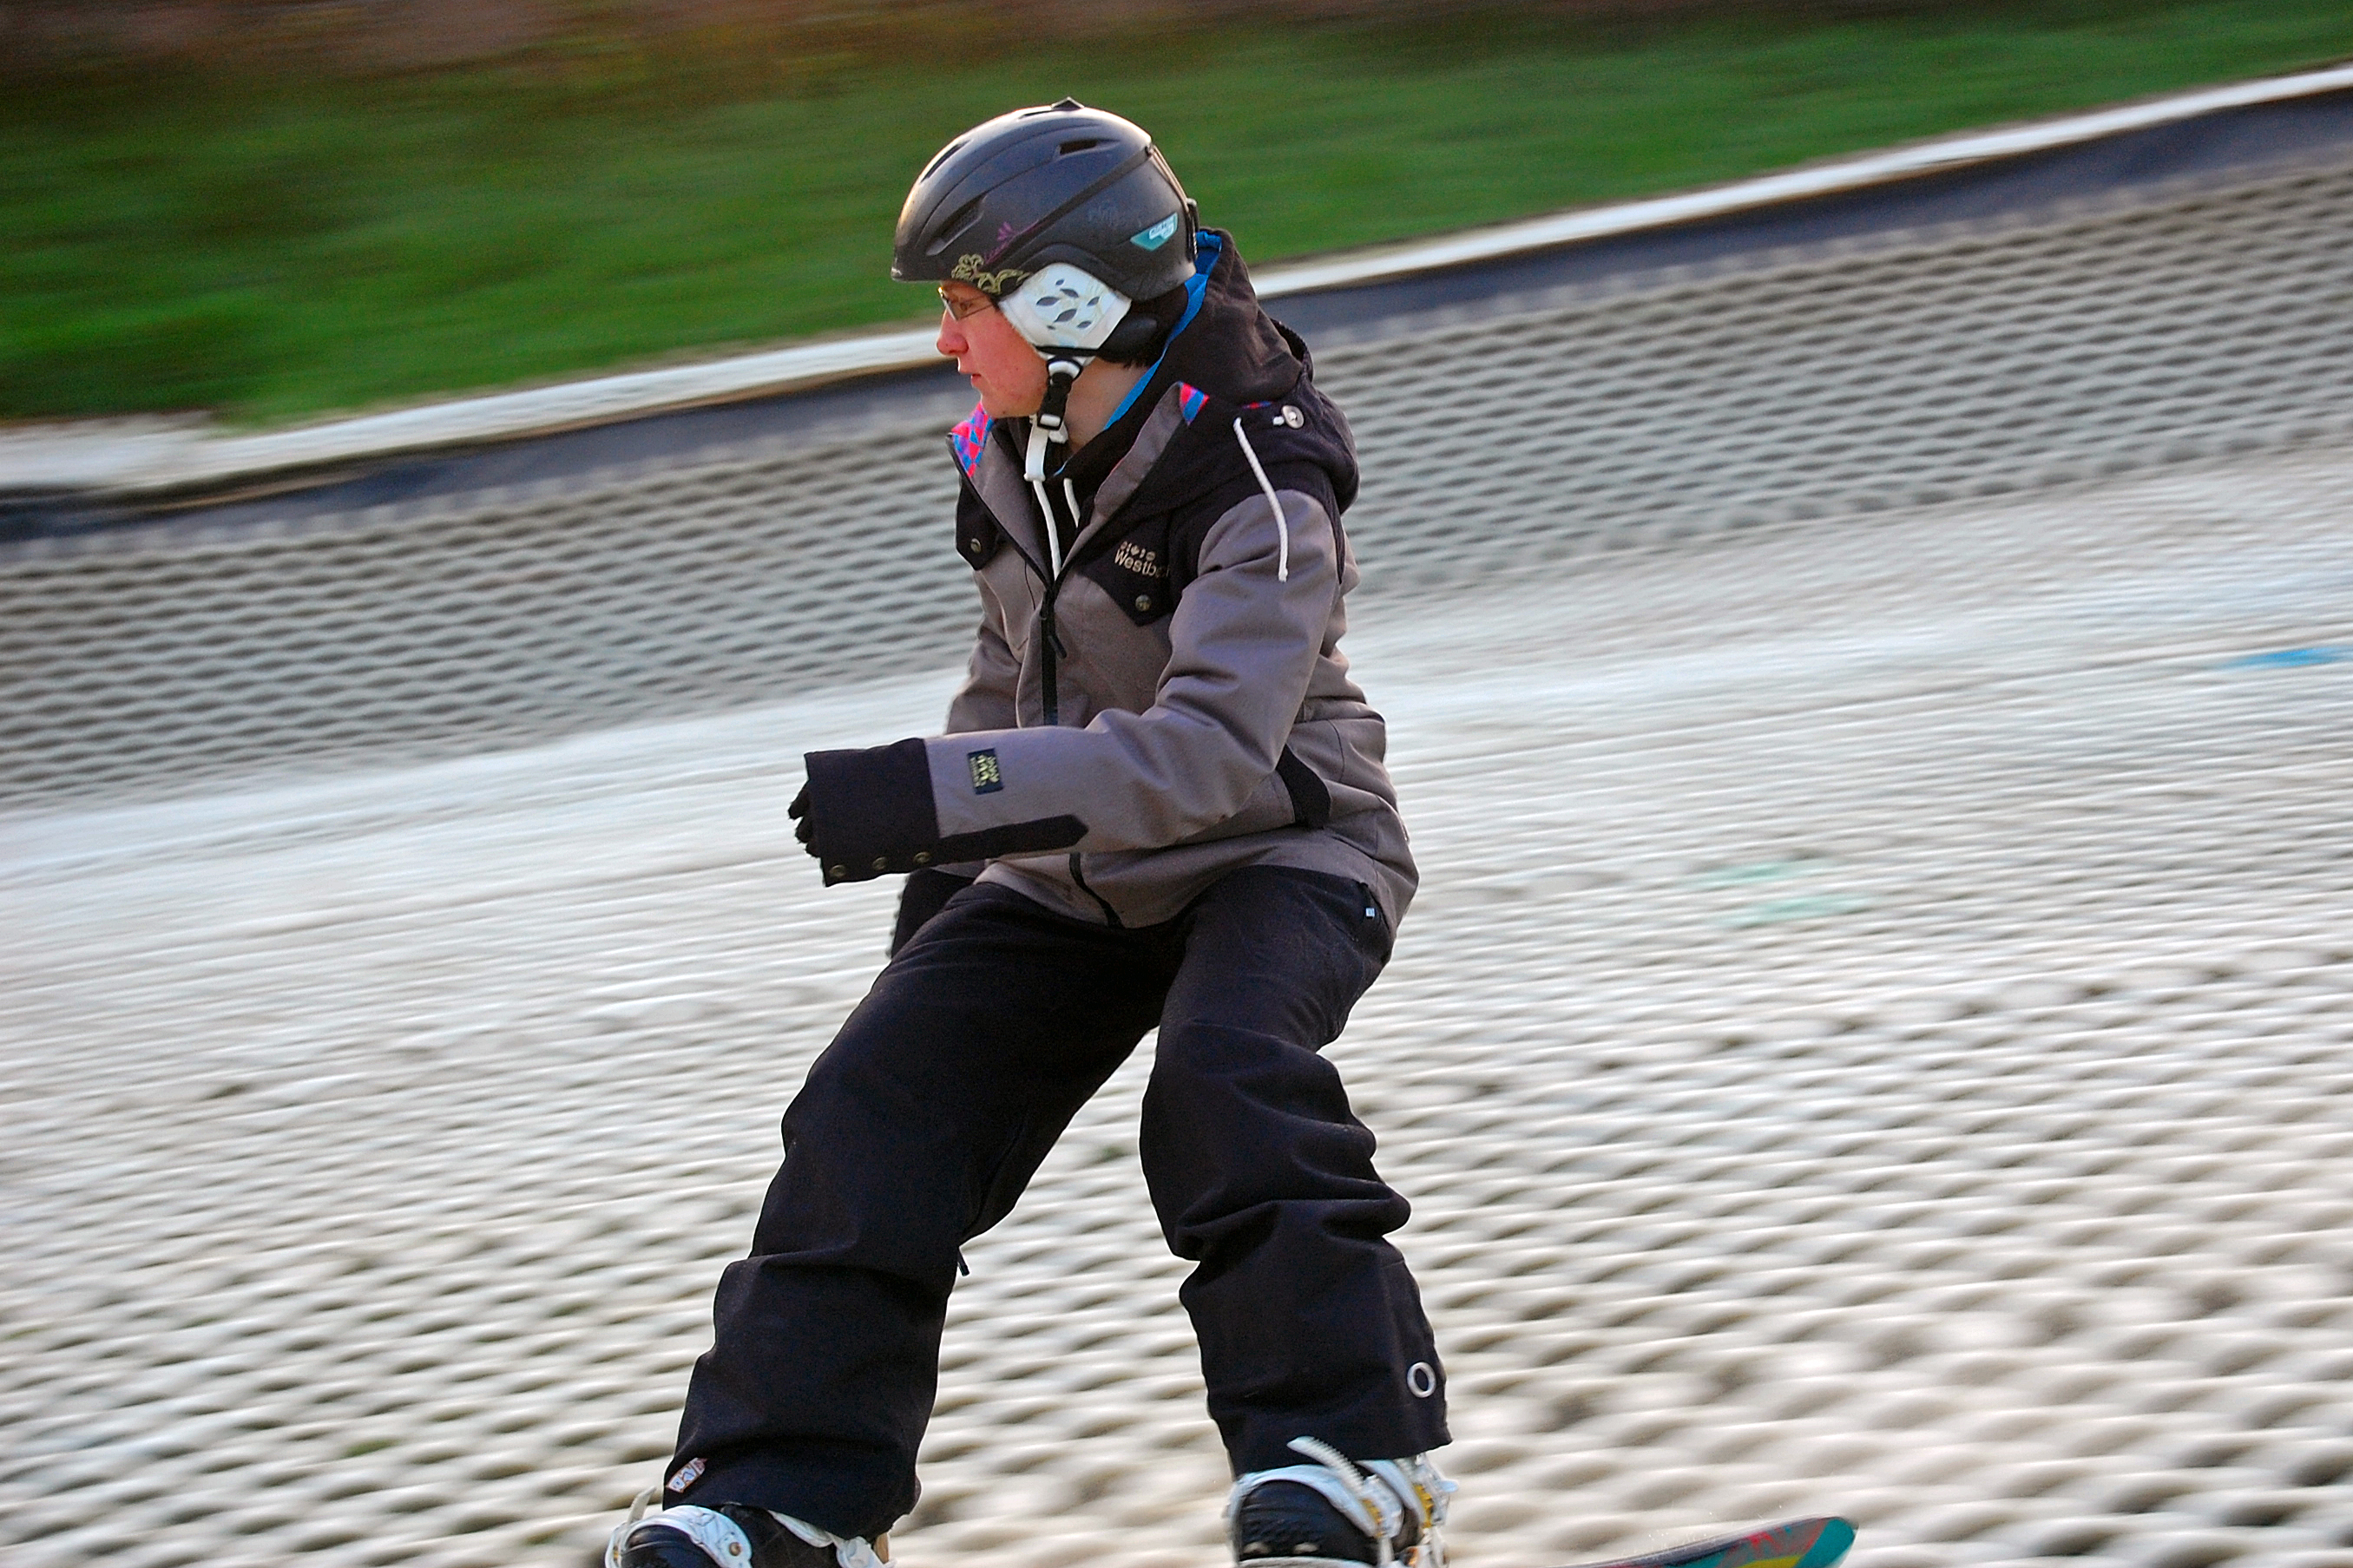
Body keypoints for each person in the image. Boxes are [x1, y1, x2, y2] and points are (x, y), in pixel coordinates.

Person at [611, 100, 1451, 1568]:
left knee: (1225, 1084)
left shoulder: (1261, 472)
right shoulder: (1019, 441)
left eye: (962, 304)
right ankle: (781, 1502)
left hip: (1283, 851)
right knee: (870, 1107)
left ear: (1068, 306)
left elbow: (1205, 758)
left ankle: (1349, 1475)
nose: (945, 341)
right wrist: (935, 906)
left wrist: (935, 796)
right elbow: (1012, 681)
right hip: (1078, 873)